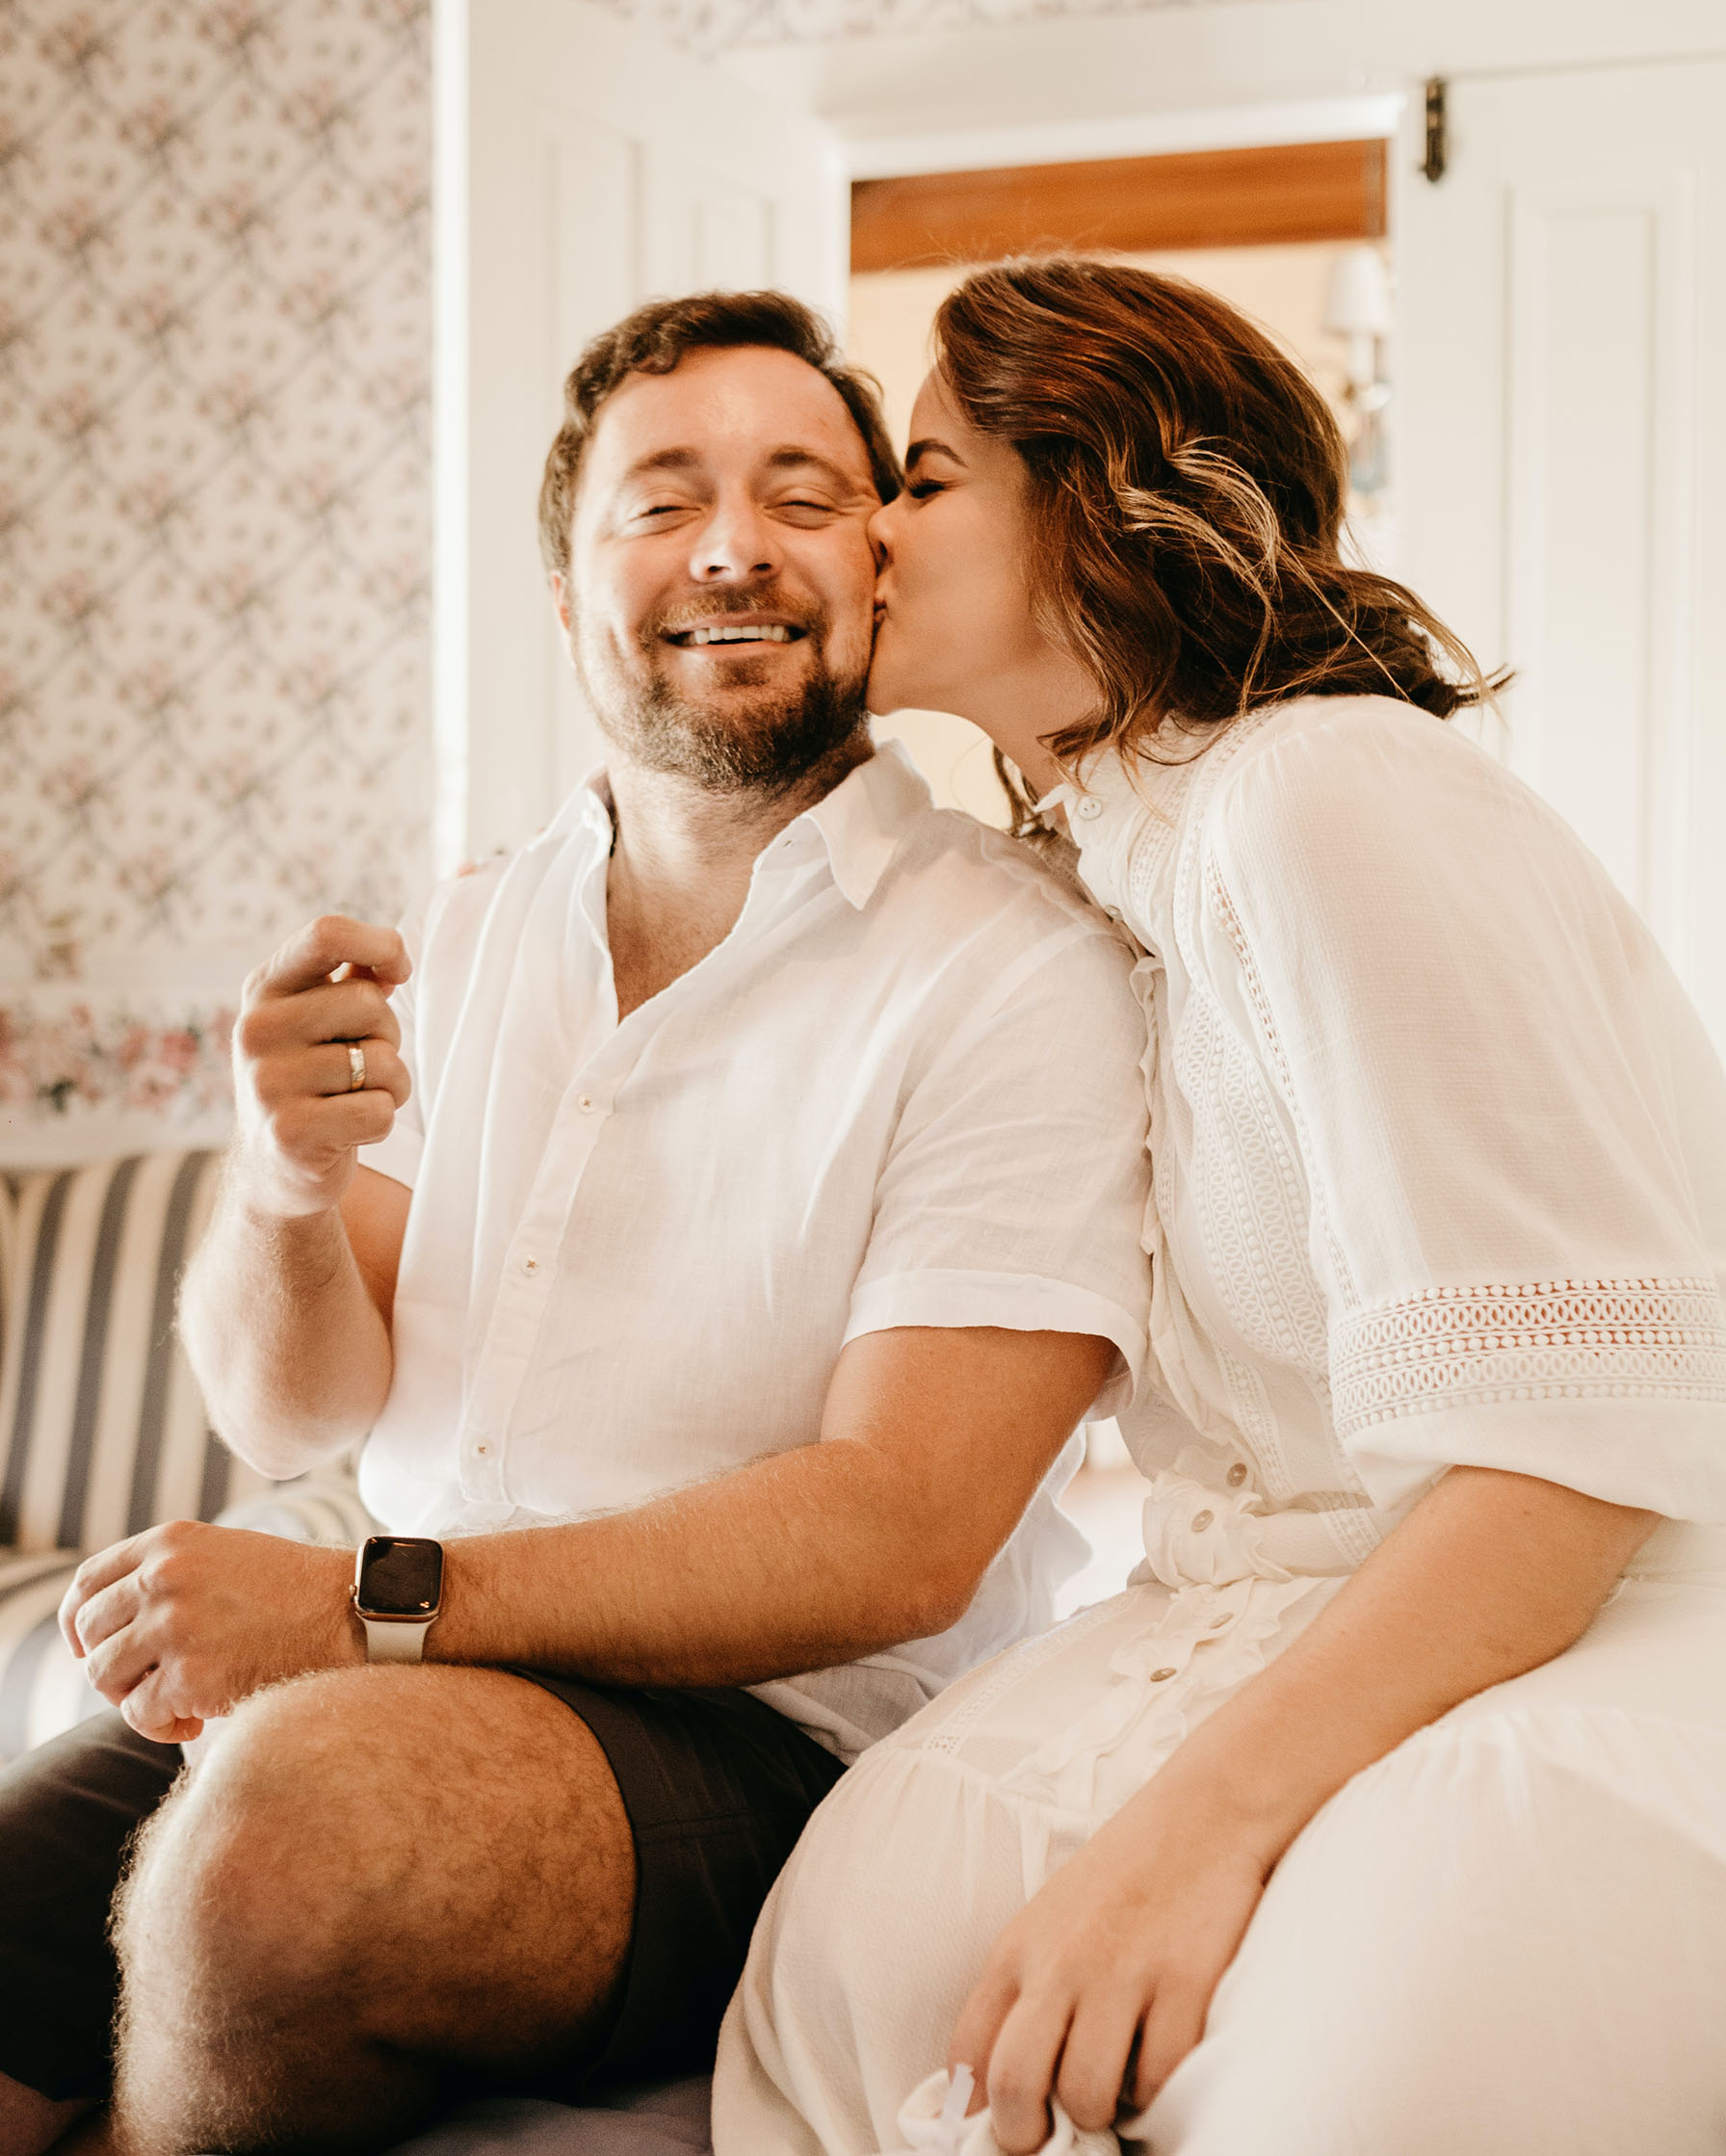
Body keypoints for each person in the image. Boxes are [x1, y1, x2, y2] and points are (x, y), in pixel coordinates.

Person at [0, 290, 1156, 2156]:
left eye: (798, 491)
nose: (729, 545)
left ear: (872, 568)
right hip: (403, 1674)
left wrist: (364, 1611)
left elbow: (902, 1533)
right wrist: (280, 1183)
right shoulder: (471, 929)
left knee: (270, 1860)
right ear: (566, 597)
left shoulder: (1011, 970)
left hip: (772, 1752)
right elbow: (288, 1405)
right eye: (661, 499)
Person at [714, 256, 1726, 2156]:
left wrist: (1194, 1828)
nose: (860, 529)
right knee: (847, 1975)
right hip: (1230, 1606)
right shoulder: (1090, 885)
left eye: (918, 476)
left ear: (1101, 493)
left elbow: (1569, 1458)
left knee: (1335, 2082)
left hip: (1597, 1599)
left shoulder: (1325, 797)